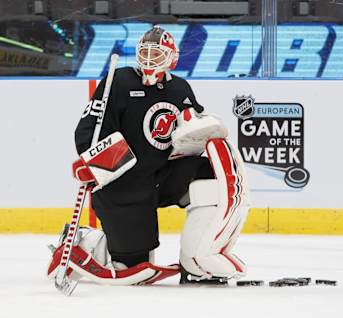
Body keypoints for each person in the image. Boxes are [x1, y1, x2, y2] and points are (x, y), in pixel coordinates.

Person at [47, 25, 250, 285]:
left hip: (162, 174)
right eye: (146, 52)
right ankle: (84, 241)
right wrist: (92, 161)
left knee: (209, 175)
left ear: (172, 57)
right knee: (132, 264)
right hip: (122, 183)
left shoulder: (180, 89)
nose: (150, 59)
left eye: (158, 53)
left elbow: (192, 128)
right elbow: (89, 130)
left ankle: (196, 262)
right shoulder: (118, 82)